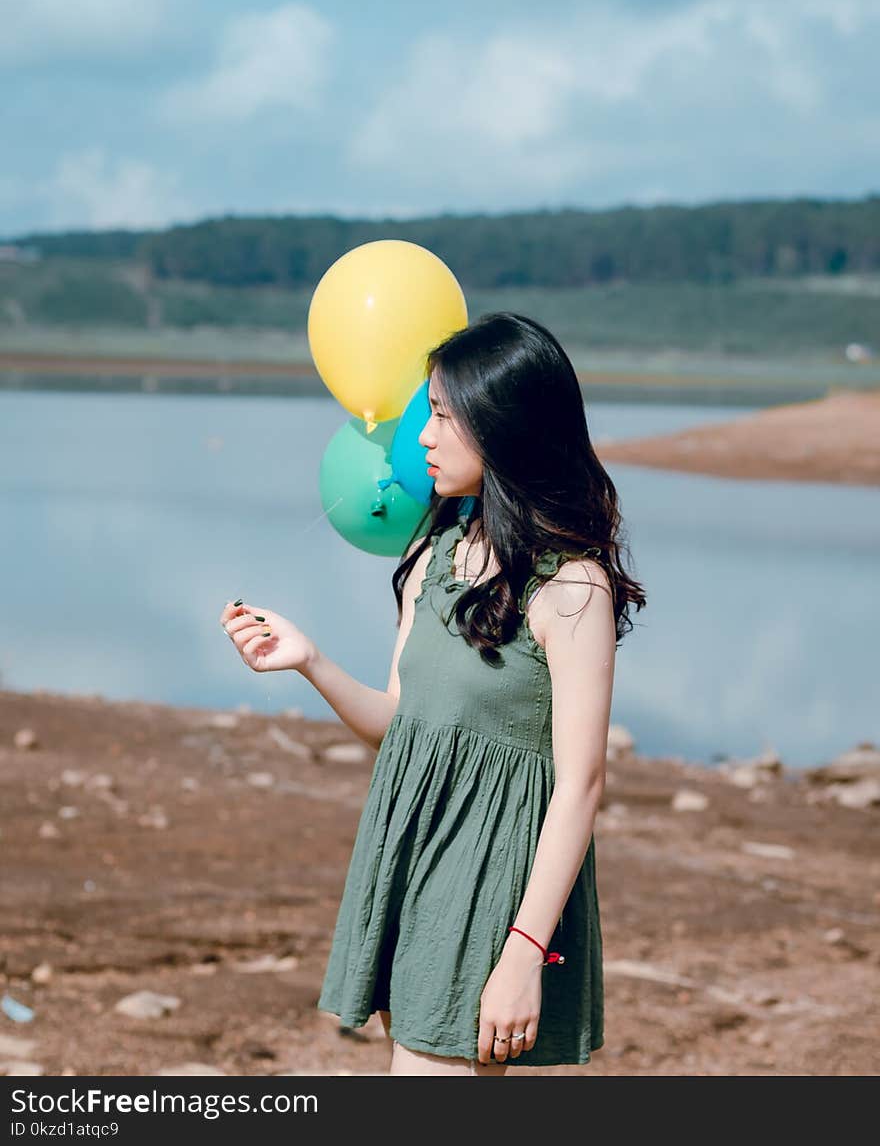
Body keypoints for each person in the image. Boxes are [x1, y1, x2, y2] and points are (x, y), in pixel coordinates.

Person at [220, 312, 646, 1075]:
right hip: (411, 858)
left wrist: (524, 952)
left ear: (501, 424)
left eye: (444, 415)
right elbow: (401, 724)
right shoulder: (434, 557)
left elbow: (580, 786)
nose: (422, 435)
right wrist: (309, 660)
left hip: (492, 884)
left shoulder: (572, 588)